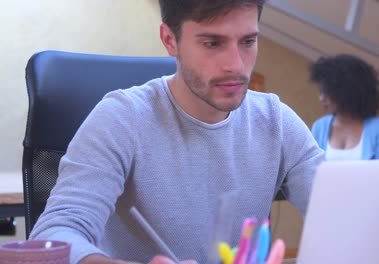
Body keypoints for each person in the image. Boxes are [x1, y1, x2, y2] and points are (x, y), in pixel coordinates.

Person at [29, 0, 324, 263]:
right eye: (212, 43)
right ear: (170, 40)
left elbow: (340, 218)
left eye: (247, 41)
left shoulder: (277, 122)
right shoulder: (121, 118)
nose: (236, 65)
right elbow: (53, 236)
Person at [310, 54, 379, 160]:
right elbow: (311, 172)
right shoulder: (319, 127)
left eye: (327, 92)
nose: (321, 98)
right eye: (320, 92)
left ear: (347, 92)